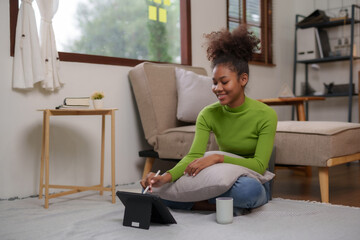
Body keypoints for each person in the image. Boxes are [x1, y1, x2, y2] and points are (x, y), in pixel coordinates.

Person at [140, 25, 278, 215]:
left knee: (248, 192)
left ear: (243, 79)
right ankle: (218, 206)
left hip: (251, 178)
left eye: (224, 81)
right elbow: (193, 155)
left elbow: (260, 165)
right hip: (220, 175)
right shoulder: (208, 114)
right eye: (214, 82)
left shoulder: (266, 115)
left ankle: (200, 203)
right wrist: (166, 177)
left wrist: (217, 157)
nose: (217, 88)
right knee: (150, 190)